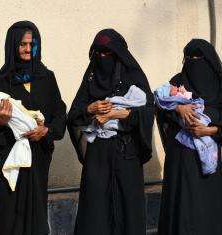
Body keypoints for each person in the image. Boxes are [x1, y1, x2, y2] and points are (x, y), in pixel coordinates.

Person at [67, 29, 154, 235]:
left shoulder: (133, 76)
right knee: (96, 211)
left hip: (127, 153)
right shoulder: (90, 78)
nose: (103, 58)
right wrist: (91, 109)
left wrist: (116, 114)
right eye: (99, 54)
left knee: (127, 209)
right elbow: (73, 117)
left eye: (108, 54)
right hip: (98, 156)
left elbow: (148, 111)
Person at [0, 21, 66, 235]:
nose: (28, 49)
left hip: (38, 157)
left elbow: (59, 112)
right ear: (12, 46)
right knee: (9, 213)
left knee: (36, 214)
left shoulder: (46, 77)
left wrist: (47, 130)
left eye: (32, 44)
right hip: (8, 157)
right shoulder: (1, 80)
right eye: (22, 44)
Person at [157, 39, 222, 235]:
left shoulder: (220, 85)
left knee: (208, 211)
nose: (193, 62)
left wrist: (211, 131)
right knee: (182, 209)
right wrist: (178, 107)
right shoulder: (177, 82)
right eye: (189, 58)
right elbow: (159, 108)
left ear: (209, 60)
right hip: (181, 161)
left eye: (198, 58)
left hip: (212, 165)